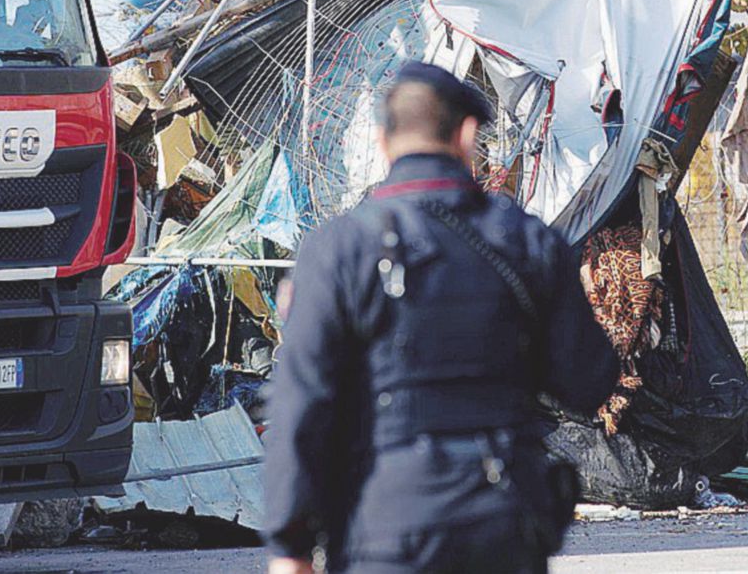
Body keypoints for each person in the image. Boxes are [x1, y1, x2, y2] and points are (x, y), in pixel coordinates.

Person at [262, 61, 620, 574]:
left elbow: (302, 403)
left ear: (383, 142)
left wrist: (288, 543)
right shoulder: (526, 241)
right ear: (467, 136)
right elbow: (588, 382)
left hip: (384, 525)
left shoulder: (338, 249)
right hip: (502, 522)